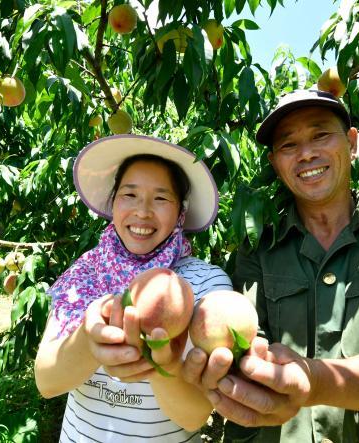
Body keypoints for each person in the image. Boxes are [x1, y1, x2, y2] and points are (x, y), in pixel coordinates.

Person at [182, 89, 359, 442]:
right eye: (288, 145)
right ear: (275, 163)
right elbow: (243, 343)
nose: (307, 153)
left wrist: (314, 380)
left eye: (320, 135)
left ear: (351, 142)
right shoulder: (257, 249)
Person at [34, 134, 232, 442]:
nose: (142, 211)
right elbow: (47, 382)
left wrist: (160, 361)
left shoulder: (204, 286)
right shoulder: (85, 275)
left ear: (181, 212)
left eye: (161, 198)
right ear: (113, 203)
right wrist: (90, 335)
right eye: (130, 195)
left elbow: (194, 416)